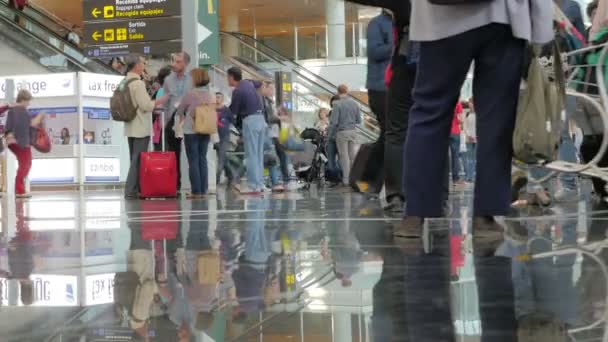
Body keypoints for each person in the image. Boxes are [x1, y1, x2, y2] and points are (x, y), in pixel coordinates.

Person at [398, 1, 553, 237]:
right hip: (504, 18)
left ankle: (414, 215)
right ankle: (486, 216)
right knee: (497, 117)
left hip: (438, 18)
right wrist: (542, 30)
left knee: (429, 111)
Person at [123, 54, 168, 200]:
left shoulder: (124, 81)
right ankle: (130, 190)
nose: (145, 64)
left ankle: (136, 188)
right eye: (143, 62)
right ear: (136, 65)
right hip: (140, 126)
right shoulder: (138, 83)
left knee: (133, 158)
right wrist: (160, 100)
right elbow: (146, 106)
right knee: (137, 160)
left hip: (130, 125)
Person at [176, 68, 214, 199]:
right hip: (206, 129)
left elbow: (180, 110)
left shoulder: (190, 94)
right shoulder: (210, 95)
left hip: (191, 130)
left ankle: (196, 191)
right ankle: (204, 190)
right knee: (202, 158)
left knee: (193, 160)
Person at [228, 67, 266, 194]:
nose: (227, 80)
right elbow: (260, 83)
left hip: (250, 121)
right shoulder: (248, 83)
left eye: (228, 77)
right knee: (259, 154)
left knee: (251, 155)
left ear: (232, 77)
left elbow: (233, 112)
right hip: (261, 119)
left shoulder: (238, 91)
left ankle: (252, 185)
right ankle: (260, 184)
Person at [163, 52, 193, 195]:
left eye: (179, 62)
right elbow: (166, 101)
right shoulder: (168, 80)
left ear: (186, 63)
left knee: (191, 152)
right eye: (174, 61)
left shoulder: (192, 79)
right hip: (172, 118)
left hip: (188, 118)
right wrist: (165, 121)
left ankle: (195, 185)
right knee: (173, 153)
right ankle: (175, 184)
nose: (174, 64)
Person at [5, 90, 37, 198]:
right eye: (28, 101)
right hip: (21, 143)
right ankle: (19, 190)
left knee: (24, 165)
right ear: (23, 100)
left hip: (17, 142)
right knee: (25, 165)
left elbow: (9, 126)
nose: (29, 103)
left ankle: (19, 189)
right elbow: (25, 129)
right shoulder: (21, 111)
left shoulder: (14, 111)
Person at [329, 84, 361, 187]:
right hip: (353, 131)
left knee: (344, 156)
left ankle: (346, 180)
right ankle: (354, 179)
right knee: (352, 156)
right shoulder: (355, 104)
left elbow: (334, 122)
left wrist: (330, 135)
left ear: (338, 92)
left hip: (342, 132)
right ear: (347, 91)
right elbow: (359, 120)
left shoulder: (337, 104)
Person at [216, 92, 234, 185]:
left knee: (221, 158)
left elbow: (232, 121)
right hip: (214, 137)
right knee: (223, 158)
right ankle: (231, 175)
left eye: (219, 97)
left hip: (224, 137)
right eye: (216, 97)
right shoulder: (212, 110)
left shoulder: (226, 110)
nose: (217, 99)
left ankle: (216, 179)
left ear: (222, 99)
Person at [448, 102, 464, 186]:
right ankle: (455, 179)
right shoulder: (458, 104)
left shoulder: (444, 101)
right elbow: (461, 119)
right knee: (455, 156)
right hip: (455, 132)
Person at [463, 99, 477, 183]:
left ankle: (473, 176)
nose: (471, 105)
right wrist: (469, 135)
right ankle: (469, 177)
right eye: (470, 104)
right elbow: (465, 126)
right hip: (468, 139)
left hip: (477, 139)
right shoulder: (467, 114)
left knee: (475, 159)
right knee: (469, 159)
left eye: (472, 103)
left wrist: (476, 136)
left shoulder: (479, 114)